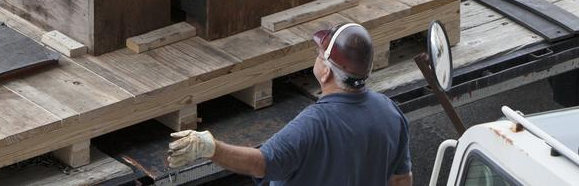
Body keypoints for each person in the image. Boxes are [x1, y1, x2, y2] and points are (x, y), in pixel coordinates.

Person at [167, 23, 412, 186]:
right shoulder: (390, 112)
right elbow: (401, 180)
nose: (315, 57)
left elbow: (261, 163)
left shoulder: (316, 123)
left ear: (325, 72)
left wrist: (210, 148)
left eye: (319, 54)